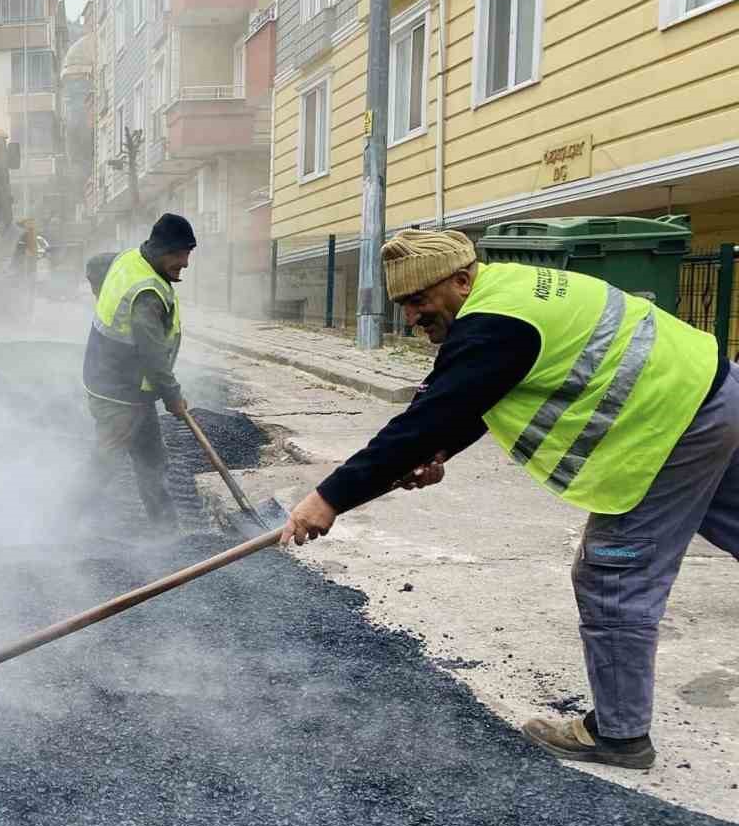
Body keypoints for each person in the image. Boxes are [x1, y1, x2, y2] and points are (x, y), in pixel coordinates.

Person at [281, 228, 736, 771]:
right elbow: (468, 398)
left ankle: (619, 735)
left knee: (611, 578)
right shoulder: (509, 294)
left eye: (420, 301)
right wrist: (440, 448)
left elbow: (428, 418)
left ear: (461, 279)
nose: (412, 317)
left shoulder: (491, 326)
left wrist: (328, 499)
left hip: (670, 427)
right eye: (403, 305)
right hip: (717, 393)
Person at [80, 213, 197, 532]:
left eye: (188, 253)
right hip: (118, 393)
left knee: (152, 459)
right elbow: (153, 355)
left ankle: (167, 533)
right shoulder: (147, 294)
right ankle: (64, 525)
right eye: (180, 254)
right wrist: (173, 396)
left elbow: (96, 264)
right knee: (105, 462)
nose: (185, 262)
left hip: (131, 390)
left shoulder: (132, 258)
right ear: (161, 250)